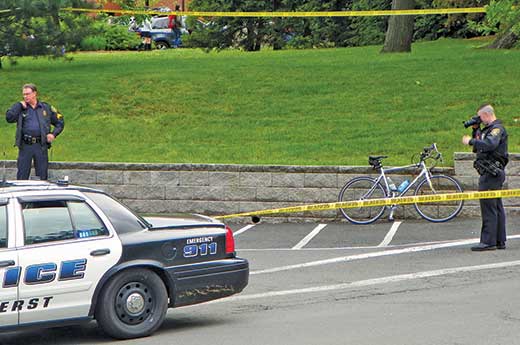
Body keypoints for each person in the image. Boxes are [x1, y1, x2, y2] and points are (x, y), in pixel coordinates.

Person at [462, 104, 508, 251]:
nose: (480, 120)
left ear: (487, 115)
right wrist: (476, 129)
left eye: (481, 117)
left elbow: (489, 144)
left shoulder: (496, 129)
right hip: (490, 172)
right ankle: (499, 240)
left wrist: (470, 140)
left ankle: (488, 241)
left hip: (491, 173)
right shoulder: (488, 129)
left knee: (489, 207)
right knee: (496, 206)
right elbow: (478, 147)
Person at [6, 83, 65, 180]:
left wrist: (53, 134)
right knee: (22, 175)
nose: (25, 96)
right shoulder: (21, 108)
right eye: (24, 94)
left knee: (42, 176)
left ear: (34, 93)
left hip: (41, 146)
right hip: (26, 146)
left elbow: (60, 121)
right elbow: (9, 118)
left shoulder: (45, 108)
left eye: (28, 94)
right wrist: (18, 105)